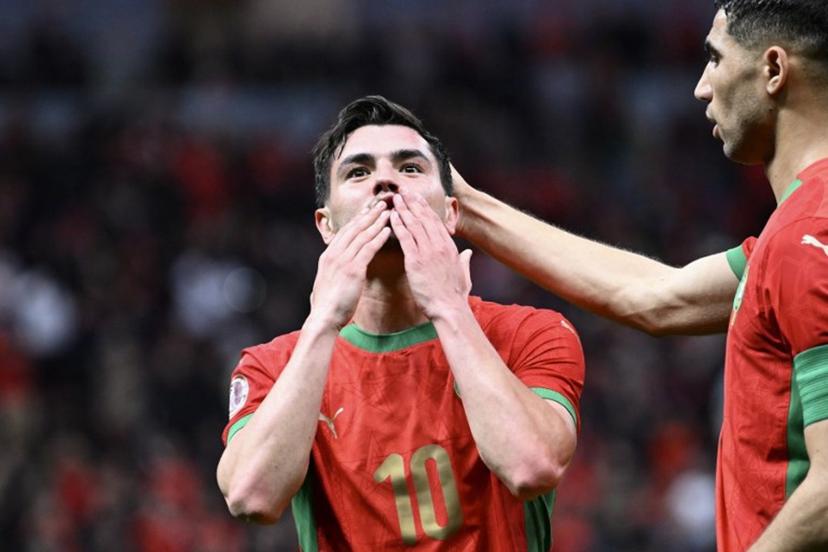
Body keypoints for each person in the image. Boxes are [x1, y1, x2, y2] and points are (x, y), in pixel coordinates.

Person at [450, 1, 828, 550]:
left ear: (773, 70)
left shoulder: (809, 237)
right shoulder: (792, 236)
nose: (701, 88)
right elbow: (655, 297)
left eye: (715, 60)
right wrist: (466, 205)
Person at [215, 96, 585, 550]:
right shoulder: (272, 366)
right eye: (358, 172)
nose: (385, 181)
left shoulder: (530, 335)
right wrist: (323, 321)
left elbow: (531, 467)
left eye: (410, 168)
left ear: (451, 213)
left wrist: (449, 307)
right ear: (325, 225)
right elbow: (252, 497)